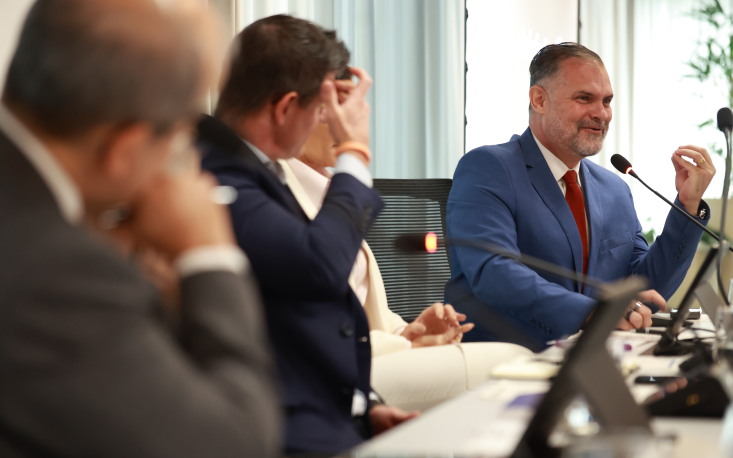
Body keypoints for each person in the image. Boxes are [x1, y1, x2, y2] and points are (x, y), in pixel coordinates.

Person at [0, 1, 280, 457]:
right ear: (125, 147)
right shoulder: (60, 274)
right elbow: (235, 443)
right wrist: (209, 254)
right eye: (180, 134)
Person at [197, 15, 423, 456]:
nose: (326, 122)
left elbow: (291, 320)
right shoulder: (216, 176)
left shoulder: (251, 167)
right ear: (283, 108)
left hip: (322, 413)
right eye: (320, 110)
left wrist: (363, 409)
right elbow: (318, 267)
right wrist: (353, 152)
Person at [281, 67, 532, 411]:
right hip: (335, 370)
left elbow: (360, 306)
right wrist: (401, 347)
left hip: (372, 354)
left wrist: (409, 332)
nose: (349, 120)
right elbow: (317, 320)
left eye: (353, 106)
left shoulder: (326, 188)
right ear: (290, 109)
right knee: (514, 364)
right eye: (337, 105)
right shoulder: (281, 196)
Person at [445, 42, 715, 352]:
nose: (601, 114)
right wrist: (591, 312)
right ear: (539, 99)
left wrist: (689, 205)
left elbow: (644, 288)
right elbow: (494, 271)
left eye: (607, 101)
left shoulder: (614, 188)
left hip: (593, 364)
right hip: (504, 362)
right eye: (585, 98)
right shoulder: (489, 168)